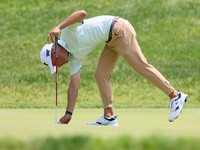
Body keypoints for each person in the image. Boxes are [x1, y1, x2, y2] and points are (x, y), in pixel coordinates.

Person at [40, 10, 188, 126]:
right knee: (101, 74)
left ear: (54, 52)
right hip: (111, 40)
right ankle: (109, 116)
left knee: (141, 66)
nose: (59, 66)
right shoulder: (73, 58)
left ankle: (175, 96)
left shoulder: (66, 32)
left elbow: (82, 13)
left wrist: (58, 26)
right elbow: (74, 86)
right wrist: (69, 113)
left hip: (119, 29)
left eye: (56, 63)